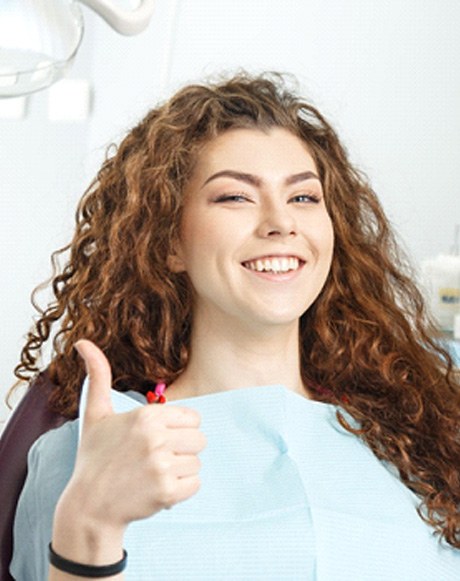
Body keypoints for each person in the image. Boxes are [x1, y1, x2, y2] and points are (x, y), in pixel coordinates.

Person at [7, 72, 460, 580]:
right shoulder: (91, 453)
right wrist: (89, 524)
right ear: (169, 243)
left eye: (304, 198)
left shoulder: (419, 440)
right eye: (234, 197)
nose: (280, 223)